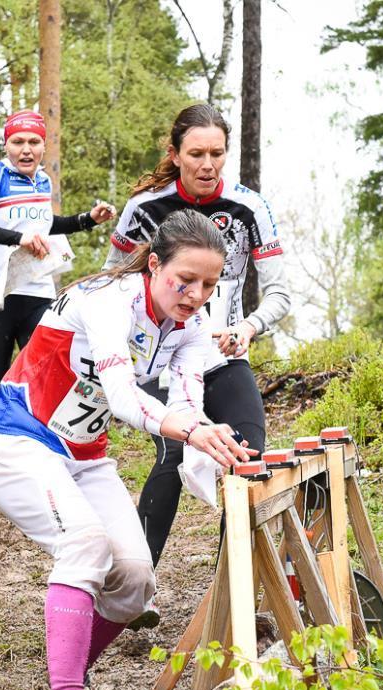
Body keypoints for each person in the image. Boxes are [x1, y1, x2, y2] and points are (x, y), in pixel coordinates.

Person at [0, 209, 255, 690]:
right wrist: (187, 428)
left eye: (208, 285)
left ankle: (70, 677)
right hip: (18, 439)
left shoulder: (191, 326)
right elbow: (126, 399)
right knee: (86, 542)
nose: (196, 295)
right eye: (185, 281)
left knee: (133, 580)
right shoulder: (109, 298)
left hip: (84, 455)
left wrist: (213, 439)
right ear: (154, 265)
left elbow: (185, 403)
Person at [105, 103, 291, 626]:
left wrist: (249, 326)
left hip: (225, 355)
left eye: (217, 153)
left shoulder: (250, 207)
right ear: (175, 155)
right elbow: (110, 284)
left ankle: (228, 598)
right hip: (162, 361)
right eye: (196, 154)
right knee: (173, 456)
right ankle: (132, 594)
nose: (208, 164)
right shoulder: (145, 206)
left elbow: (279, 295)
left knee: (247, 458)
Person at [0, 108, 116, 428]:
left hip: (39, 293)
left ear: (44, 146)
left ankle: (38, 452)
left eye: (33, 142)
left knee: (46, 378)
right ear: (6, 145)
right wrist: (19, 238)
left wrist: (86, 220)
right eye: (17, 142)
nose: (26, 149)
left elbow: (44, 224)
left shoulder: (43, 179)